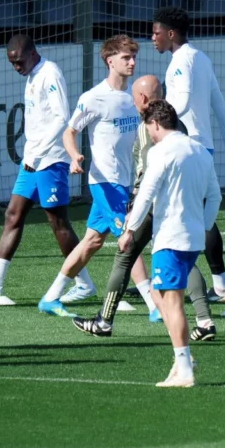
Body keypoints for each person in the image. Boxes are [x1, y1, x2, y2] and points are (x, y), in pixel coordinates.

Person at [73, 75, 218, 341]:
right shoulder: (178, 124)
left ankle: (105, 321)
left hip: (152, 204)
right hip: (183, 204)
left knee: (125, 256)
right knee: (184, 259)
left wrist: (131, 222)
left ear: (141, 99)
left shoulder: (149, 127)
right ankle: (205, 319)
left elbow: (147, 180)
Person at [0, 34, 86, 301]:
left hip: (50, 160)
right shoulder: (32, 75)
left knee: (58, 222)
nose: (16, 67)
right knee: (13, 215)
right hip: (33, 159)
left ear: (32, 54)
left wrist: (38, 154)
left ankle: (84, 282)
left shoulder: (50, 73)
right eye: (12, 63)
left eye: (19, 62)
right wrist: (32, 154)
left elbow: (62, 117)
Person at [120, 100, 222, 388]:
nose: (149, 134)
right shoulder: (200, 150)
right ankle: (182, 360)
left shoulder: (161, 151)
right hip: (192, 237)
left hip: (171, 237)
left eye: (148, 128)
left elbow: (147, 192)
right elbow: (215, 196)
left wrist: (130, 230)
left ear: (155, 124)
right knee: (156, 291)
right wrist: (202, 225)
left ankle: (185, 366)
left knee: (173, 301)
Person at [36, 36, 140, 316]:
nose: (132, 62)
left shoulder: (133, 97)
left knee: (93, 241)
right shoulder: (94, 98)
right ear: (110, 61)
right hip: (105, 181)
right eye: (125, 58)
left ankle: (51, 296)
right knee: (130, 239)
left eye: (133, 57)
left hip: (125, 179)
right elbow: (70, 131)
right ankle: (155, 304)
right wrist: (74, 156)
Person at [152, 7, 225, 304]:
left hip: (186, 145)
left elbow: (183, 99)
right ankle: (215, 285)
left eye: (156, 32)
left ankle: (215, 286)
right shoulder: (200, 57)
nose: (153, 38)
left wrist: (159, 117)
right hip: (202, 145)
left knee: (193, 216)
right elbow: (219, 102)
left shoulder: (182, 61)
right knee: (199, 214)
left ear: (171, 33)